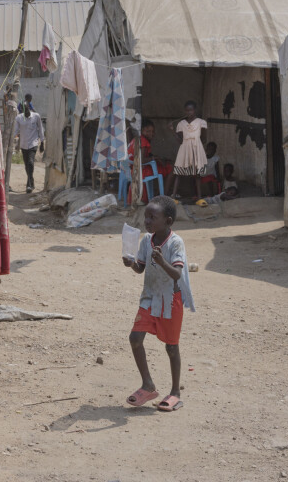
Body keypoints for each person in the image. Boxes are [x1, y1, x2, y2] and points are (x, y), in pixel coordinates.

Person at [122, 195, 195, 412]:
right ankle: (148, 385)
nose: (147, 221)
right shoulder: (147, 240)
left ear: (168, 221)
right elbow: (141, 268)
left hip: (170, 299)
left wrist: (162, 261)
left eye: (152, 217)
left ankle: (175, 392)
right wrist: (131, 263)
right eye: (146, 216)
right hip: (150, 297)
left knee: (171, 347)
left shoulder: (175, 243)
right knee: (135, 338)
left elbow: (176, 274)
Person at [169, 101, 207, 200]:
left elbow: (204, 139)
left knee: (197, 175)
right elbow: (180, 141)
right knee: (178, 173)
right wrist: (172, 130)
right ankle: (173, 197)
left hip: (196, 148)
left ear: (195, 110)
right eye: (187, 110)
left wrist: (197, 148)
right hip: (184, 149)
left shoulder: (201, 122)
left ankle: (199, 198)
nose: (189, 112)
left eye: (191, 110)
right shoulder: (181, 124)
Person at [129, 118, 173, 191]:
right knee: (171, 168)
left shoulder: (137, 139)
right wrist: (155, 158)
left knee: (165, 164)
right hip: (140, 171)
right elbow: (142, 160)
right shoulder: (143, 141)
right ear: (141, 131)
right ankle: (164, 194)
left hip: (133, 169)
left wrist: (155, 157)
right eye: (148, 131)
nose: (151, 134)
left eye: (152, 131)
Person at [12, 103, 44, 193]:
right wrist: (10, 140)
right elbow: (16, 130)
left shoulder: (36, 116)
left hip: (33, 144)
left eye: (27, 110)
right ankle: (31, 182)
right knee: (27, 165)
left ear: (29, 108)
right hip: (24, 145)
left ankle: (29, 185)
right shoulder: (19, 118)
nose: (27, 113)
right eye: (24, 111)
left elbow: (40, 128)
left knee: (30, 162)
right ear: (22, 111)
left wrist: (42, 142)